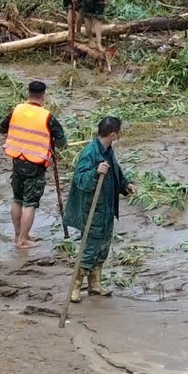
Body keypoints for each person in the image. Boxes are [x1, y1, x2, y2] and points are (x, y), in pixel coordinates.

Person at [64, 116, 132, 301]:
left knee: (103, 248)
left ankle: (95, 284)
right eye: (119, 132)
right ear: (113, 134)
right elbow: (80, 180)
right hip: (93, 210)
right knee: (90, 248)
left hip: (107, 209)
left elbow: (115, 171)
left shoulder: (108, 151)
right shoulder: (90, 153)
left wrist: (124, 185)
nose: (120, 135)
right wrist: (95, 173)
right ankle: (75, 287)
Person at [1, 79, 67, 250]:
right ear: (43, 96)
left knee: (17, 199)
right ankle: (22, 240)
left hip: (17, 161)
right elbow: (62, 142)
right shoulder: (47, 116)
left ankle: (18, 235)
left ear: (28, 93)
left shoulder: (17, 110)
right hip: (35, 165)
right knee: (30, 203)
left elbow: (2, 128)